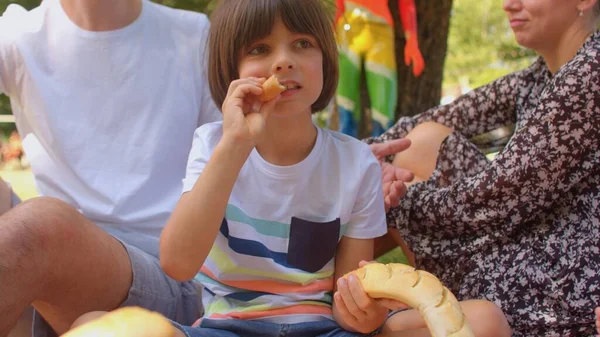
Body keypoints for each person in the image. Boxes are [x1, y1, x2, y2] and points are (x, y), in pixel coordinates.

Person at [71, 0, 509, 336]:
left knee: (485, 319)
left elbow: (346, 297)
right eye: (260, 49)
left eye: (302, 43)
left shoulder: (354, 163)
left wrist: (363, 311)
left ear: (325, 62)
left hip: (321, 328)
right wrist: (234, 146)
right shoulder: (213, 144)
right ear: (232, 72)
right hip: (227, 327)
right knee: (91, 322)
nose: (283, 60)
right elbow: (178, 262)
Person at [365, 0, 600, 335]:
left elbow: (496, 196)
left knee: (382, 192)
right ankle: (338, 290)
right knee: (421, 141)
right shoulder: (536, 78)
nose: (509, 4)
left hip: (563, 289)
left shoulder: (591, 74)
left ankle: (345, 298)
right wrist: (355, 158)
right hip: (527, 243)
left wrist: (397, 199)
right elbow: (439, 118)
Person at [0, 0, 223, 335]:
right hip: (52, 259)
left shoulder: (195, 36)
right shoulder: (20, 34)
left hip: (167, 274)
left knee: (40, 229)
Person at [334, 0, 424, 138]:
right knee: (345, 104)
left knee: (383, 109)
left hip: (380, 29)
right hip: (348, 28)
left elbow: (406, 3)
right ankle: (344, 154)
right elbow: (338, 4)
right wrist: (330, 33)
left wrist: (412, 40)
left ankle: (383, 153)